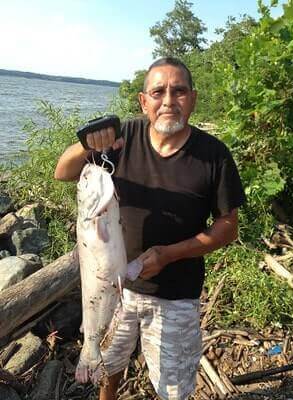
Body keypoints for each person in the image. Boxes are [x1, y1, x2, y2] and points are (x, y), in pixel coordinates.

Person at [54, 57, 246, 400]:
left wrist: (169, 255)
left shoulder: (214, 155)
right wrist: (87, 143)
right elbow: (63, 172)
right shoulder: (121, 138)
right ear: (144, 101)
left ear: (193, 98)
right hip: (116, 290)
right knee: (107, 367)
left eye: (179, 91)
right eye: (158, 92)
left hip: (175, 296)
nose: (169, 100)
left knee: (172, 388)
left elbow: (228, 227)